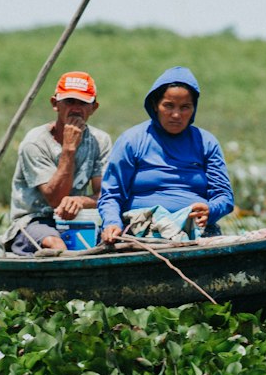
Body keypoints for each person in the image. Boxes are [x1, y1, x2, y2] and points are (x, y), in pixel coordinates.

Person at [98, 66, 234, 245]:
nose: (176, 115)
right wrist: (112, 223)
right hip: (140, 230)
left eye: (185, 107)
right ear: (155, 105)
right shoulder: (132, 140)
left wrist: (211, 210)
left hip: (194, 231)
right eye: (168, 106)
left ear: (194, 108)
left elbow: (224, 196)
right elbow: (111, 195)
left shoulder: (206, 142)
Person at [4, 71, 111, 254]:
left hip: (79, 218)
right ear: (55, 104)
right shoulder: (36, 142)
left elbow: (104, 194)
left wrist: (80, 201)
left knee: (112, 239)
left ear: (93, 108)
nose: (76, 109)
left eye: (83, 103)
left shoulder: (100, 140)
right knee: (57, 246)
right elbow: (55, 199)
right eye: (69, 102)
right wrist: (69, 149)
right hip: (35, 220)